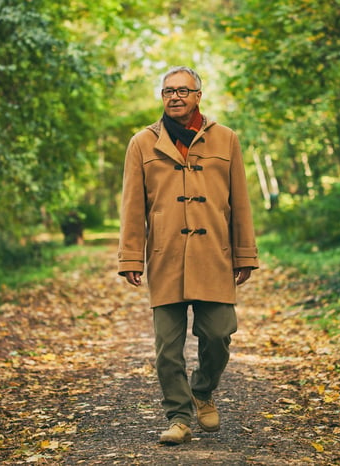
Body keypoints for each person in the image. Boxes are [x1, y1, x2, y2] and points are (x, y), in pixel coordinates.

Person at [118, 66, 259, 445]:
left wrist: (245, 253)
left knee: (219, 333)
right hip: (165, 256)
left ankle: (202, 389)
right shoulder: (142, 143)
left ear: (199, 95)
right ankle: (179, 417)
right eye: (168, 91)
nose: (175, 96)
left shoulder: (226, 140)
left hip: (215, 253)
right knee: (167, 348)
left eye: (183, 90)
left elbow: (240, 202)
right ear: (161, 97)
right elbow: (132, 207)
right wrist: (131, 258)